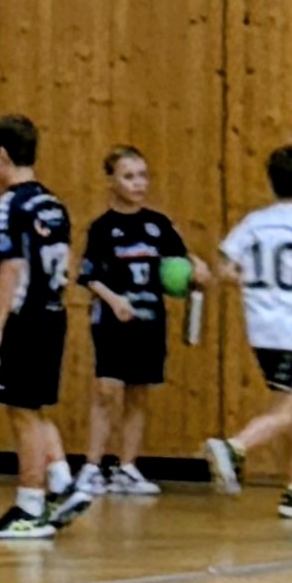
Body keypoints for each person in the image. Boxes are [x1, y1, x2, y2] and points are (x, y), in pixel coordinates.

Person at [208, 143, 292, 522]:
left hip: (261, 329)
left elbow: (224, 269)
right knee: (289, 410)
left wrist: (254, 281)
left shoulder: (254, 222)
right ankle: (234, 447)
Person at [0, 114, 84, 540]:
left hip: (24, 316)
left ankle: (29, 505)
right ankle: (62, 484)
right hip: (53, 312)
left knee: (21, 413)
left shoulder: (10, 204)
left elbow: (11, 268)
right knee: (34, 407)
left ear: (3, 155)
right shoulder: (52, 203)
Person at [77, 147, 188, 500]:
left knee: (138, 395)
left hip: (149, 322)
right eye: (129, 176)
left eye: (143, 176)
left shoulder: (159, 225)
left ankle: (127, 467)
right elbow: (88, 276)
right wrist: (114, 300)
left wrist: (196, 272)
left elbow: (180, 263)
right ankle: (91, 467)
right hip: (112, 322)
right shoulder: (102, 228)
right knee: (106, 391)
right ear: (111, 181)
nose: (138, 183)